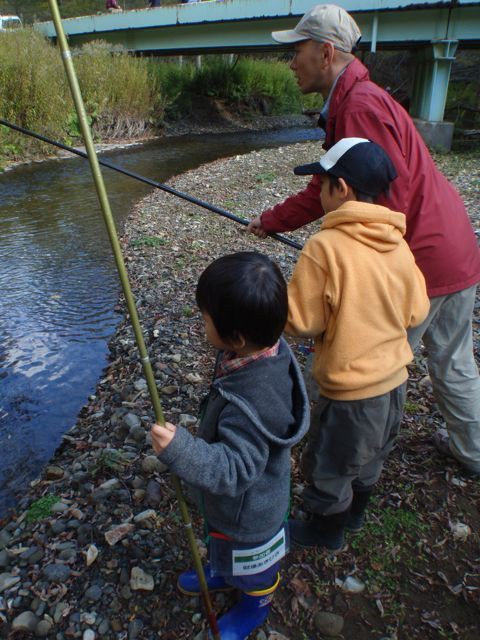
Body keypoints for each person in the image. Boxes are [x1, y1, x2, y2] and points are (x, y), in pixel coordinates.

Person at [247, 4, 480, 477]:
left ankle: (341, 465)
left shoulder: (358, 107)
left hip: (424, 258)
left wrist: (351, 266)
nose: (292, 61)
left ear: (326, 52)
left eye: (298, 50)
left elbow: (380, 196)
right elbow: (341, 186)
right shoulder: (360, 99)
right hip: (453, 245)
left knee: (367, 365)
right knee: (453, 362)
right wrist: (274, 221)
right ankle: (473, 452)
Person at [151, 252, 309, 639]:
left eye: (204, 317)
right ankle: (223, 571)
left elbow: (235, 470)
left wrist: (180, 449)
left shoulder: (253, 403)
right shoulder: (263, 349)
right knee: (224, 548)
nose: (201, 321)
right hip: (232, 514)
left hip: (249, 517)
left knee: (254, 567)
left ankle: (255, 603)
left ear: (237, 337)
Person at [285, 137, 430, 549]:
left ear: (342, 188)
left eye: (322, 183)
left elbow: (300, 320)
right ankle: (356, 516)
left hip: (350, 393)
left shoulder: (324, 247)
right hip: (394, 384)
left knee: (330, 465)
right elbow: (417, 310)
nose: (319, 191)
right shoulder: (398, 243)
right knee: (371, 456)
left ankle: (325, 532)